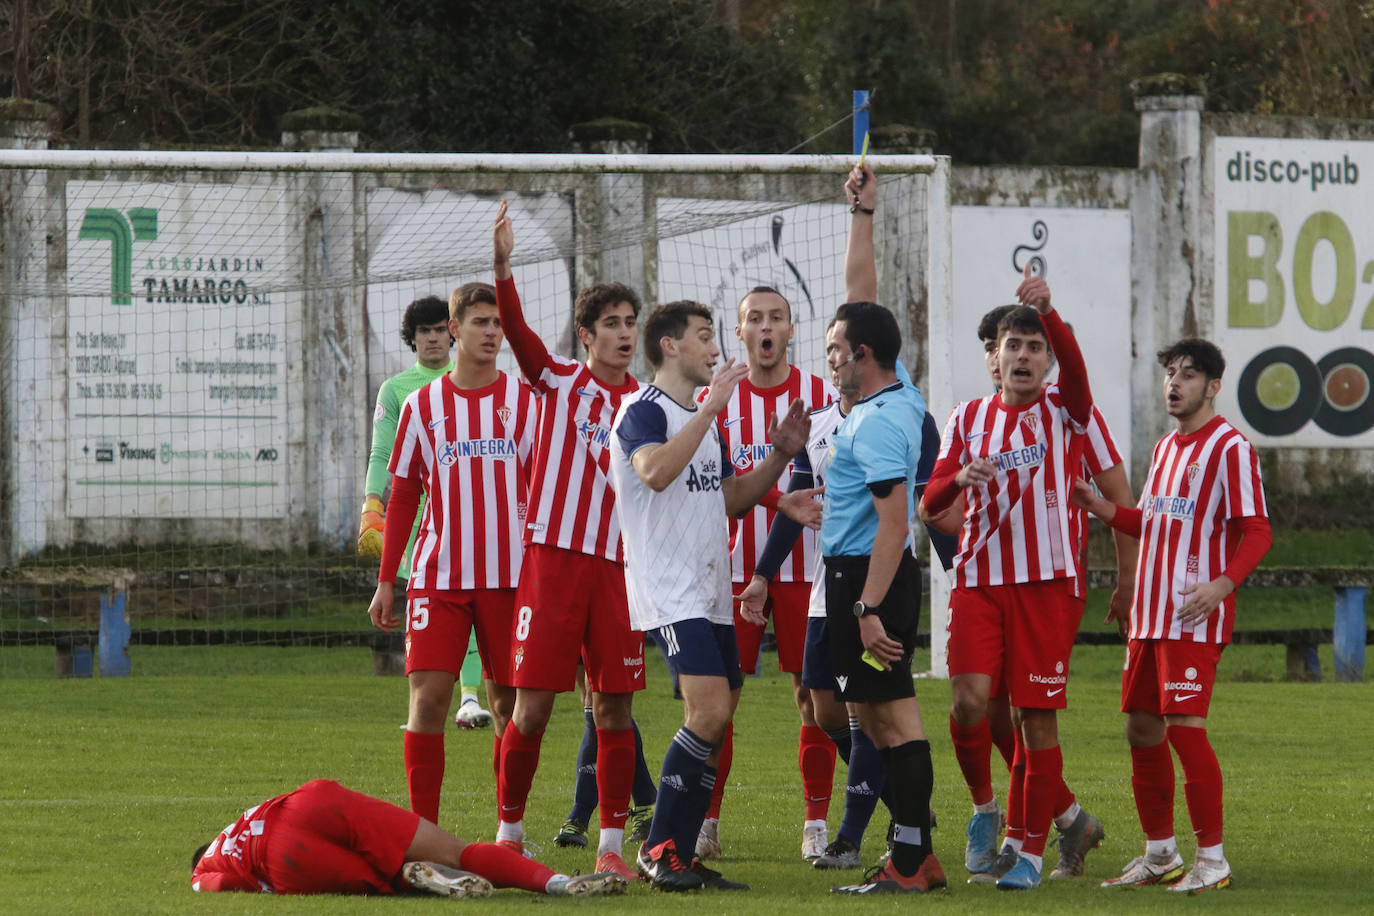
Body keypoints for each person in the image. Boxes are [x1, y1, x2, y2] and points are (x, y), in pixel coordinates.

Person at [925, 300, 1135, 882]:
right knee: (974, 707)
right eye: (1011, 345)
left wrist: (1126, 579)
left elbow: (1118, 493)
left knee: (1029, 717)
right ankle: (994, 814)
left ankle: (1028, 850)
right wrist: (956, 480)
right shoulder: (968, 418)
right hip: (978, 581)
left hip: (1047, 585)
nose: (1021, 356)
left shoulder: (1071, 414)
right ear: (993, 355)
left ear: (1048, 360)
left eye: (1033, 346)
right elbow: (930, 504)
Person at [608, 301, 812, 891]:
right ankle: (660, 850)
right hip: (670, 591)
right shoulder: (641, 409)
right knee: (710, 712)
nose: (715, 347)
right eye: (704, 336)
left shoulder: (702, 419)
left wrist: (779, 458)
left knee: (717, 723)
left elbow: (722, 497)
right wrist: (711, 409)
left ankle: (682, 856)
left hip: (710, 589)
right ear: (670, 346)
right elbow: (655, 472)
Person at [1074, 338, 1270, 894]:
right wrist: (1104, 508)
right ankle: (1161, 853)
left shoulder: (1230, 448)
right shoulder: (1165, 450)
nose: (1174, 383)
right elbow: (1156, 523)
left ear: (1211, 386)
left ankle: (1214, 862)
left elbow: (1257, 530)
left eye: (1187, 375)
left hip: (1191, 614)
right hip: (1150, 616)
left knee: (1185, 733)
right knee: (1141, 729)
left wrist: (1223, 584)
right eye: (1169, 374)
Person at [490, 200, 646, 882]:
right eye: (610, 324)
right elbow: (519, 332)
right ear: (585, 335)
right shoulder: (555, 379)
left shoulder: (649, 406)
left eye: (629, 324)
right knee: (532, 706)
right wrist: (502, 267)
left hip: (619, 569)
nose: (623, 334)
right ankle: (509, 831)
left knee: (614, 704)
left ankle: (612, 842)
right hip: (552, 560)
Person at [366, 284, 536, 827]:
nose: (492, 332)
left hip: (510, 576)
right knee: (429, 702)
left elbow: (539, 487)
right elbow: (406, 493)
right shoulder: (421, 404)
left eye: (498, 323)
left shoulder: (524, 401)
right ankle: (425, 834)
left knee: (511, 707)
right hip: (439, 575)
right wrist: (387, 578)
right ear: (456, 329)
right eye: (480, 322)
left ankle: (509, 832)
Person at [807, 299, 944, 896]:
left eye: (837, 348)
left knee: (893, 719)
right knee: (881, 719)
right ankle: (920, 855)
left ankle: (910, 861)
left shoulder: (879, 419)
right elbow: (864, 297)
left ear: (863, 355)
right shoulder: (895, 394)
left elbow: (895, 526)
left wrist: (865, 609)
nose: (830, 358)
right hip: (860, 575)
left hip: (868, 580)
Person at [697, 283, 835, 862]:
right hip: (729, 569)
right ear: (740, 332)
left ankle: (816, 824)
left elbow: (825, 482)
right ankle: (706, 821)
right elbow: (712, 483)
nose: (766, 327)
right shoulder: (716, 397)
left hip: (807, 567)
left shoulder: (819, 395)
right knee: (718, 700)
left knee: (814, 696)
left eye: (776, 317)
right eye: (755, 318)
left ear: (790, 329)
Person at [358, 294, 490, 729]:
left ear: (452, 333)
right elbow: (381, 454)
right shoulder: (396, 390)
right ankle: (427, 700)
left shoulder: (473, 384)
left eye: (439, 330)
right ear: (412, 339)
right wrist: (371, 503)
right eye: (424, 332)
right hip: (418, 521)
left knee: (471, 606)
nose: (433, 338)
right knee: (424, 612)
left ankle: (469, 698)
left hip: (467, 516)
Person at [190, 778, 625, 897]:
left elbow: (216, 884)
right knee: (457, 850)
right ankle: (555, 882)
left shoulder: (209, 864)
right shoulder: (236, 825)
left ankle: (415, 879)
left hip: (285, 859)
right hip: (310, 802)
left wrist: (259, 886)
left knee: (391, 882)